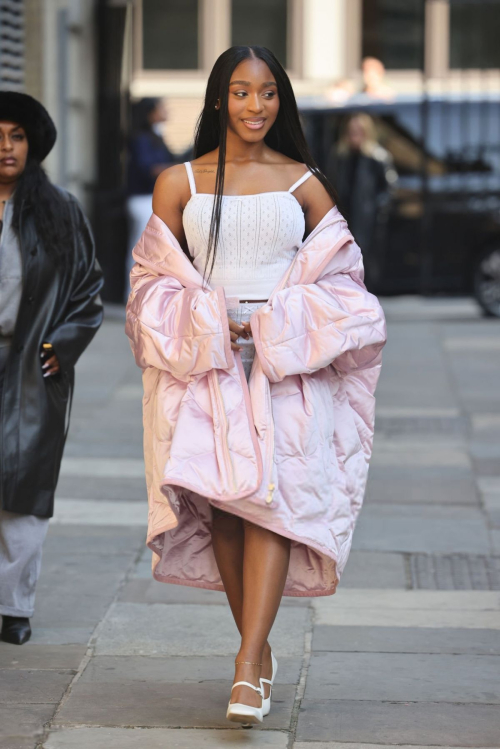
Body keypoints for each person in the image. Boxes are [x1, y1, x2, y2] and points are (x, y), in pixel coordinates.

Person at [126, 46, 386, 726]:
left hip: (282, 367)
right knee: (224, 508)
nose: (255, 106)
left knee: (268, 499)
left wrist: (277, 323)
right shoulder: (176, 182)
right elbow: (150, 286)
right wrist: (210, 322)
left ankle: (245, 666)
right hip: (208, 366)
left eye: (268, 93)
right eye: (241, 93)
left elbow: (345, 284)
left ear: (282, 102)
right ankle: (257, 646)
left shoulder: (305, 184)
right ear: (218, 100)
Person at [0, 92, 103, 645]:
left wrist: (61, 346)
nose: (6, 146)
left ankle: (13, 607)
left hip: (31, 367)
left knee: (23, 491)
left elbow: (88, 289)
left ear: (32, 143)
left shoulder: (58, 209)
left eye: (16, 135)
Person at [327, 113, 397, 285]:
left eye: (358, 131)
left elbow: (389, 189)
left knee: (367, 265)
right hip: (343, 220)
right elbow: (330, 185)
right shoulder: (339, 156)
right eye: (351, 131)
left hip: (368, 221)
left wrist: (377, 212)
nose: (354, 136)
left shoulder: (377, 157)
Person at [125, 98, 175, 294]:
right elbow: (150, 168)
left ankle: (145, 292)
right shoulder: (141, 138)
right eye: (161, 107)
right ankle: (133, 292)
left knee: (152, 249)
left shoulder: (156, 136)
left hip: (151, 199)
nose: (165, 110)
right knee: (141, 249)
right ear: (150, 113)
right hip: (143, 198)